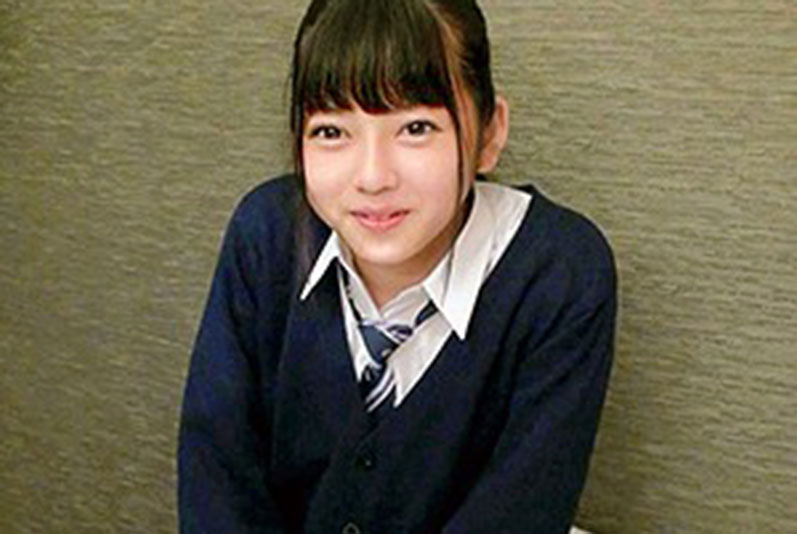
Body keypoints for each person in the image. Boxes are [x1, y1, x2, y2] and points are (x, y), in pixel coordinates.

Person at [178, 0, 616, 533]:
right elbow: (217, 480)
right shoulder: (267, 236)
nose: (373, 177)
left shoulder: (560, 273)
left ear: (489, 134)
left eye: (415, 127)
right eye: (331, 131)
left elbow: (522, 509)